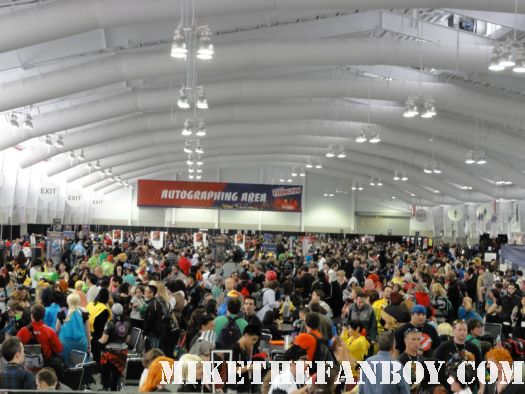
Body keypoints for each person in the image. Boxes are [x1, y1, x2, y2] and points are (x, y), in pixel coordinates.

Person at [16, 304, 63, 377]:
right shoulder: (49, 331)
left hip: (27, 367)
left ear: (31, 315)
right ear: (43, 316)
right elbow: (59, 349)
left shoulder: (23, 331)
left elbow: (16, 346)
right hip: (45, 367)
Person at [99, 303, 130, 391]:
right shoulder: (126, 324)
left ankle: (106, 387)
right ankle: (115, 389)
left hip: (110, 354)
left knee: (105, 371)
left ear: (112, 312)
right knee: (116, 375)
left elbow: (104, 340)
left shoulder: (109, 324)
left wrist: (97, 341)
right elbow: (128, 340)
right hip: (122, 354)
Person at [225, 323, 262, 393]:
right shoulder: (234, 349)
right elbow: (232, 369)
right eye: (253, 339)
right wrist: (250, 367)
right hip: (235, 389)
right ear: (246, 336)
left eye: (256, 340)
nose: (254, 342)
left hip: (244, 387)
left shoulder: (244, 349)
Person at [56, 292, 90, 366]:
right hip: (82, 344)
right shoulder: (85, 313)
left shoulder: (62, 312)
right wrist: (89, 345)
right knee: (80, 365)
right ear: (78, 301)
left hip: (65, 344)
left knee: (66, 365)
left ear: (68, 301)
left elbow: (57, 329)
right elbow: (88, 331)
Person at [86, 287, 111, 364]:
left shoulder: (90, 304)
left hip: (86, 333)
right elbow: (102, 326)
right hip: (96, 337)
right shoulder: (104, 309)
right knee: (96, 358)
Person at [143, 284, 164, 351]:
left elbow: (150, 321)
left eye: (146, 291)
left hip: (153, 333)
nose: (144, 293)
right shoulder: (154, 303)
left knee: (153, 351)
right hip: (155, 332)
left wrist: (145, 332)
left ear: (152, 293)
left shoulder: (153, 305)